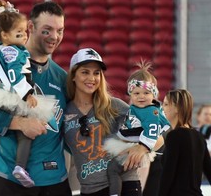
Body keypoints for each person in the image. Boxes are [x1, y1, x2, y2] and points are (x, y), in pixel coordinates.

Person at [0, 0, 72, 196]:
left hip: (53, 179)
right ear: (30, 27)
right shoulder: (2, 63)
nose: (55, 37)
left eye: (60, 30)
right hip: (5, 177)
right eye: (47, 30)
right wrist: (18, 123)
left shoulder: (63, 78)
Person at [64, 48, 144, 196]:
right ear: (73, 75)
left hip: (124, 185)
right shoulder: (64, 111)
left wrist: (142, 148)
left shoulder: (114, 105)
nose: (92, 78)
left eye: (96, 73)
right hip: (89, 190)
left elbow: (157, 131)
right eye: (85, 72)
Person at [103, 61, 170, 196]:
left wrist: (143, 146)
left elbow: (154, 134)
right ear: (130, 94)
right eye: (137, 93)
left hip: (140, 153)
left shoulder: (151, 112)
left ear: (153, 95)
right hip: (128, 148)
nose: (141, 96)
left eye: (146, 93)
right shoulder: (131, 110)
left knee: (117, 170)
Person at [159, 89, 211, 196]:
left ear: (177, 108)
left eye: (166, 104)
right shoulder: (199, 136)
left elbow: (168, 174)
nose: (162, 108)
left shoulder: (174, 136)